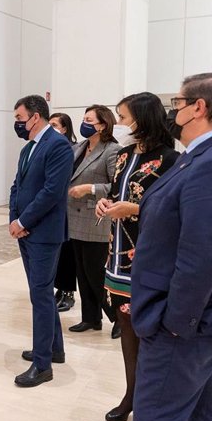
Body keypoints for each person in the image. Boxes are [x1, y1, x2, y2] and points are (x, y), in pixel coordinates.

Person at [131, 73, 212, 421]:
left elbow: (203, 256)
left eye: (176, 104)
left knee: (157, 420)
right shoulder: (204, 156)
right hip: (198, 325)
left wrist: (176, 324)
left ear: (199, 107)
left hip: (187, 329)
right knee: (204, 417)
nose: (172, 112)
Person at [95, 92, 179, 421]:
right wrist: (106, 203)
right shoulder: (123, 155)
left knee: (151, 337)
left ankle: (148, 403)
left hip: (149, 259)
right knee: (126, 329)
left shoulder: (171, 159)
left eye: (125, 116)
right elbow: (116, 191)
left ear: (143, 118)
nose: (121, 123)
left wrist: (134, 209)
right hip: (117, 256)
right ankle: (130, 394)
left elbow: (174, 210)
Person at [9, 95, 74, 387]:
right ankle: (53, 349)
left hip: (44, 234)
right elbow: (17, 185)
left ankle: (43, 365)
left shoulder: (58, 145)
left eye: (20, 118)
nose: (17, 123)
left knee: (40, 295)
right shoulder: (28, 149)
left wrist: (24, 221)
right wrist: (14, 218)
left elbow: (51, 192)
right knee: (43, 293)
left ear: (36, 116)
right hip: (26, 231)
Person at [67, 105, 120, 337]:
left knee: (96, 273)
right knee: (81, 272)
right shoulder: (79, 147)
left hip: (95, 217)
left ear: (103, 124)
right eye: (84, 118)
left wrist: (90, 188)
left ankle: (118, 318)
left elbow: (116, 186)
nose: (84, 123)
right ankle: (90, 318)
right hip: (73, 219)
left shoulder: (112, 150)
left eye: (89, 120)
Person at [49, 112, 77, 312]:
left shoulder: (74, 148)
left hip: (72, 207)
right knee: (57, 254)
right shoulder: (48, 146)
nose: (51, 127)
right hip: (55, 208)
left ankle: (68, 292)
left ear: (65, 128)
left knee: (68, 254)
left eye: (55, 124)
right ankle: (59, 288)